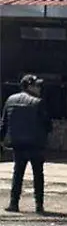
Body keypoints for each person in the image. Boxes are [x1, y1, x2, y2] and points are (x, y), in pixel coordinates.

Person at [0, 75, 53, 214]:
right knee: (38, 175)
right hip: (35, 144)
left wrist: (2, 140)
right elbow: (47, 125)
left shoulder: (10, 100)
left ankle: (13, 203)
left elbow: (4, 123)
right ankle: (39, 205)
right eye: (37, 85)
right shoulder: (38, 102)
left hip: (17, 144)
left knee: (17, 173)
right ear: (29, 86)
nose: (39, 88)